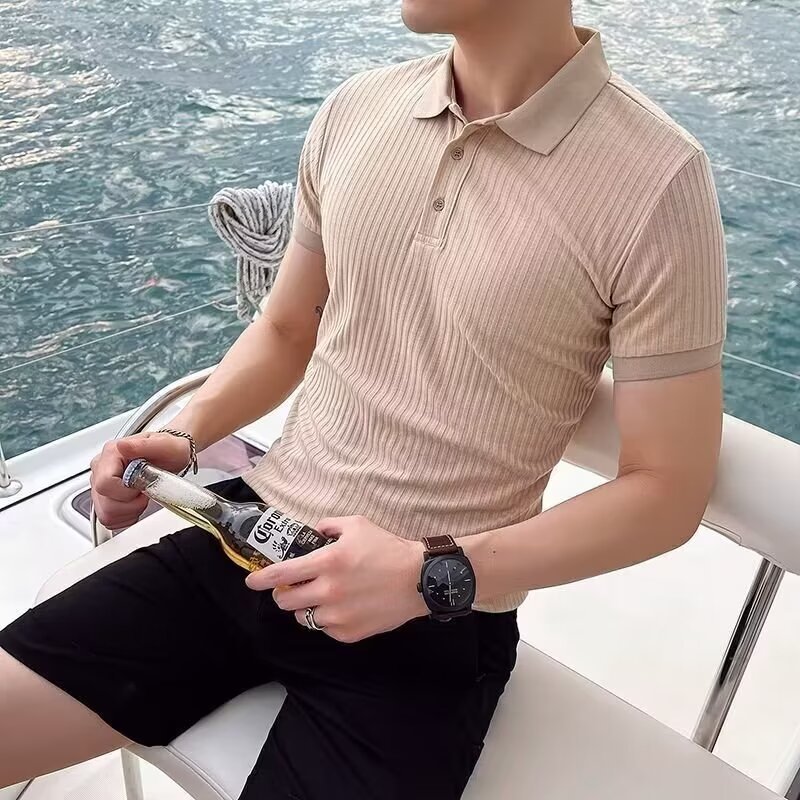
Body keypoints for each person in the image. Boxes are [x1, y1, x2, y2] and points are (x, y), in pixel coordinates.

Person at [0, 0, 727, 797]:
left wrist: (430, 574)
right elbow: (288, 329)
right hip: (248, 535)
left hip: (434, 616)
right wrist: (184, 436)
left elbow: (667, 489)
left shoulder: (658, 179)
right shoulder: (359, 108)